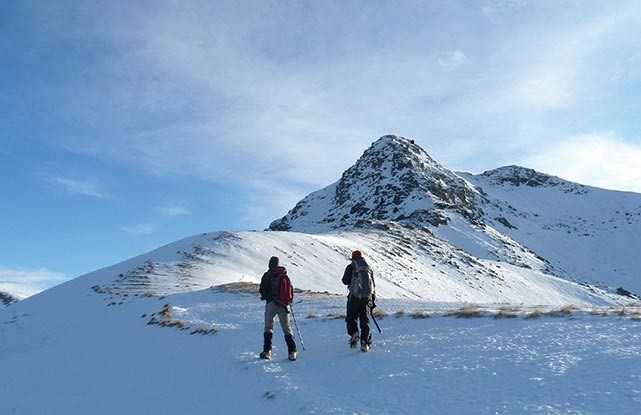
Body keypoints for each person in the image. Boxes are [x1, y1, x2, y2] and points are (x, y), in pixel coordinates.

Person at [259, 256, 297, 361]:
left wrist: (266, 297)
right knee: (287, 329)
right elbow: (290, 290)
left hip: (271, 304)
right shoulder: (284, 275)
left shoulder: (267, 275)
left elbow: (262, 291)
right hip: (284, 306)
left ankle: (267, 351)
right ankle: (292, 351)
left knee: (268, 327)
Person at [342, 250, 376, 352]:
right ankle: (365, 343)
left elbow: (345, 281)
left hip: (354, 298)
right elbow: (373, 285)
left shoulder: (351, 266)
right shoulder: (368, 268)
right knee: (365, 321)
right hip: (367, 299)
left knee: (351, 317)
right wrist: (372, 301)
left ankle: (354, 333)